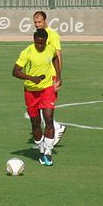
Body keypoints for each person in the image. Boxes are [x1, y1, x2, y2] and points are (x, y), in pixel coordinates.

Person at [12, 28, 62, 166]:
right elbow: (15, 71)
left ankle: (48, 152)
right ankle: (41, 149)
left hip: (47, 89)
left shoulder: (50, 49)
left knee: (49, 120)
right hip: (30, 91)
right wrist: (30, 78)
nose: (40, 46)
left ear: (46, 41)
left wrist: (58, 76)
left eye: (42, 43)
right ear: (34, 40)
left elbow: (55, 58)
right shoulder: (27, 52)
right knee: (35, 123)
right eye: (38, 43)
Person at [32, 11, 66, 145]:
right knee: (39, 106)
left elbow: (58, 55)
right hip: (41, 76)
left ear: (45, 21)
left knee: (45, 106)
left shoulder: (53, 35)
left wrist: (58, 77)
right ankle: (56, 128)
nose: (37, 24)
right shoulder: (38, 35)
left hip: (51, 75)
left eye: (39, 22)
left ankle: (57, 128)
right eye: (35, 22)